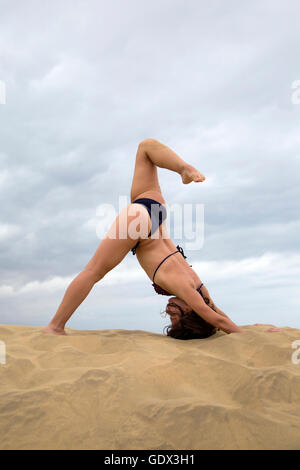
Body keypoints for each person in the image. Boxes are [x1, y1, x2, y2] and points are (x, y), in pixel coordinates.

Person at [43, 138, 245, 337]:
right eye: (175, 317)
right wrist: (247, 336)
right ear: (191, 312)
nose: (169, 312)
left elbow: (219, 314)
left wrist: (244, 329)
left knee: (146, 148)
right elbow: (217, 319)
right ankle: (55, 326)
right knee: (93, 271)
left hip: (156, 212)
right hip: (143, 225)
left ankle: (184, 168)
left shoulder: (199, 287)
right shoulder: (191, 294)